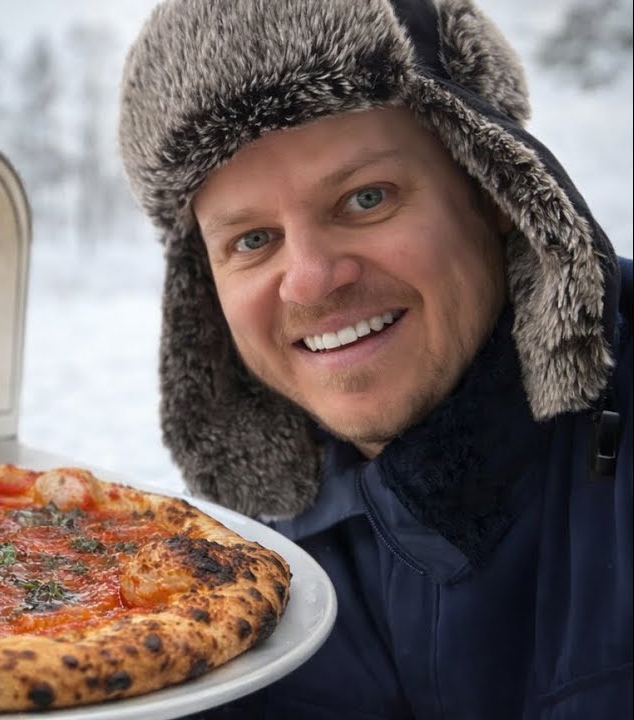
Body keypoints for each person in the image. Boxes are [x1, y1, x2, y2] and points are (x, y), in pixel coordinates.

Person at [117, 0, 631, 717]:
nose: (311, 279)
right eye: (253, 241)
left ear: (493, 191)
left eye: (366, 198)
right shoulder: (237, 577)